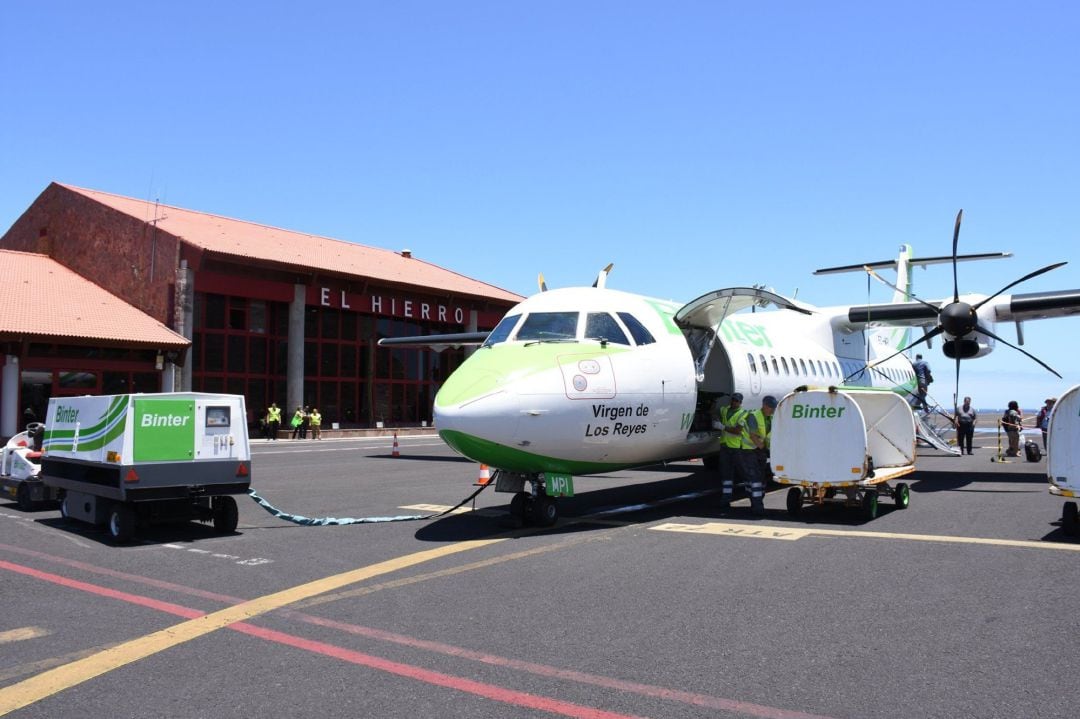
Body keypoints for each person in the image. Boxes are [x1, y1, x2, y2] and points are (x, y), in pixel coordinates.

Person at [752, 396, 777, 485]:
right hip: (753, 450)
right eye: (771, 407)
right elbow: (753, 436)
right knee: (756, 476)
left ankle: (760, 492)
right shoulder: (755, 416)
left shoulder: (770, 418)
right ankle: (757, 495)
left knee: (761, 474)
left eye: (774, 408)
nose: (773, 410)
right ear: (764, 405)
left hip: (762, 450)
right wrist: (763, 448)